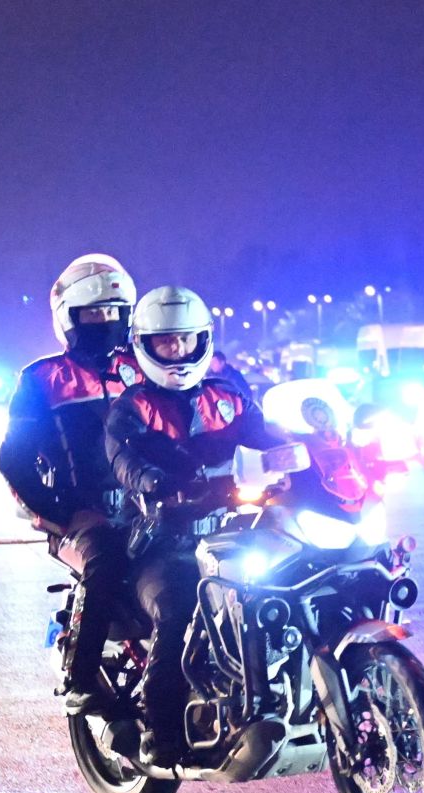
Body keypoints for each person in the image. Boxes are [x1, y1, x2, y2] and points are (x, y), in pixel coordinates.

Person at [104, 285, 276, 766]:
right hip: (162, 540)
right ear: (145, 346)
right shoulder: (132, 407)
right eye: (165, 342)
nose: (177, 350)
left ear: (202, 340)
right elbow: (122, 458)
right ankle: (160, 732)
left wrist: (316, 459)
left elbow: (268, 439)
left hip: (234, 532)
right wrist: (152, 483)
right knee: (179, 608)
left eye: (185, 339)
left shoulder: (229, 399)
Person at [0, 253, 143, 713]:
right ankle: (81, 678)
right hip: (84, 513)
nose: (106, 321)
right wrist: (62, 512)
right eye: (93, 313)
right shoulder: (41, 379)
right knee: (107, 561)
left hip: (151, 508)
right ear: (68, 318)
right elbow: (15, 459)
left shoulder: (145, 368)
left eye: (115, 311)